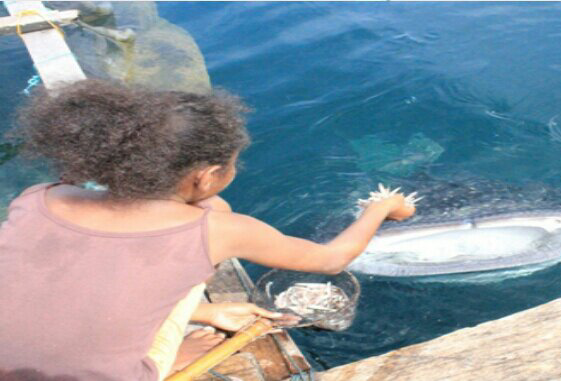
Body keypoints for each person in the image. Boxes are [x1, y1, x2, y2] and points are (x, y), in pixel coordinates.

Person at [0, 80, 415, 381]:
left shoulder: (40, 197)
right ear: (207, 175)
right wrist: (382, 209)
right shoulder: (218, 230)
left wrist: (206, 312)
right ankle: (163, 360)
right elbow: (331, 259)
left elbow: (85, 276)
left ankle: (191, 320)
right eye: (234, 164)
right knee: (197, 240)